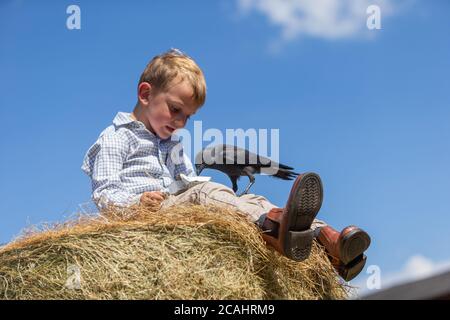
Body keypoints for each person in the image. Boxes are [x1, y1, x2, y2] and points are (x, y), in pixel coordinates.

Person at [81, 49, 371, 281]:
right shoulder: (115, 139)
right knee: (207, 195)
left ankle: (330, 243)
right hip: (144, 217)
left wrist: (197, 187)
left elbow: (187, 181)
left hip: (177, 206)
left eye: (188, 117)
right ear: (145, 95)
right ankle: (274, 231)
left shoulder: (173, 144)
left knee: (246, 198)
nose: (181, 122)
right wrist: (136, 204)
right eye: (175, 110)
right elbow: (104, 194)